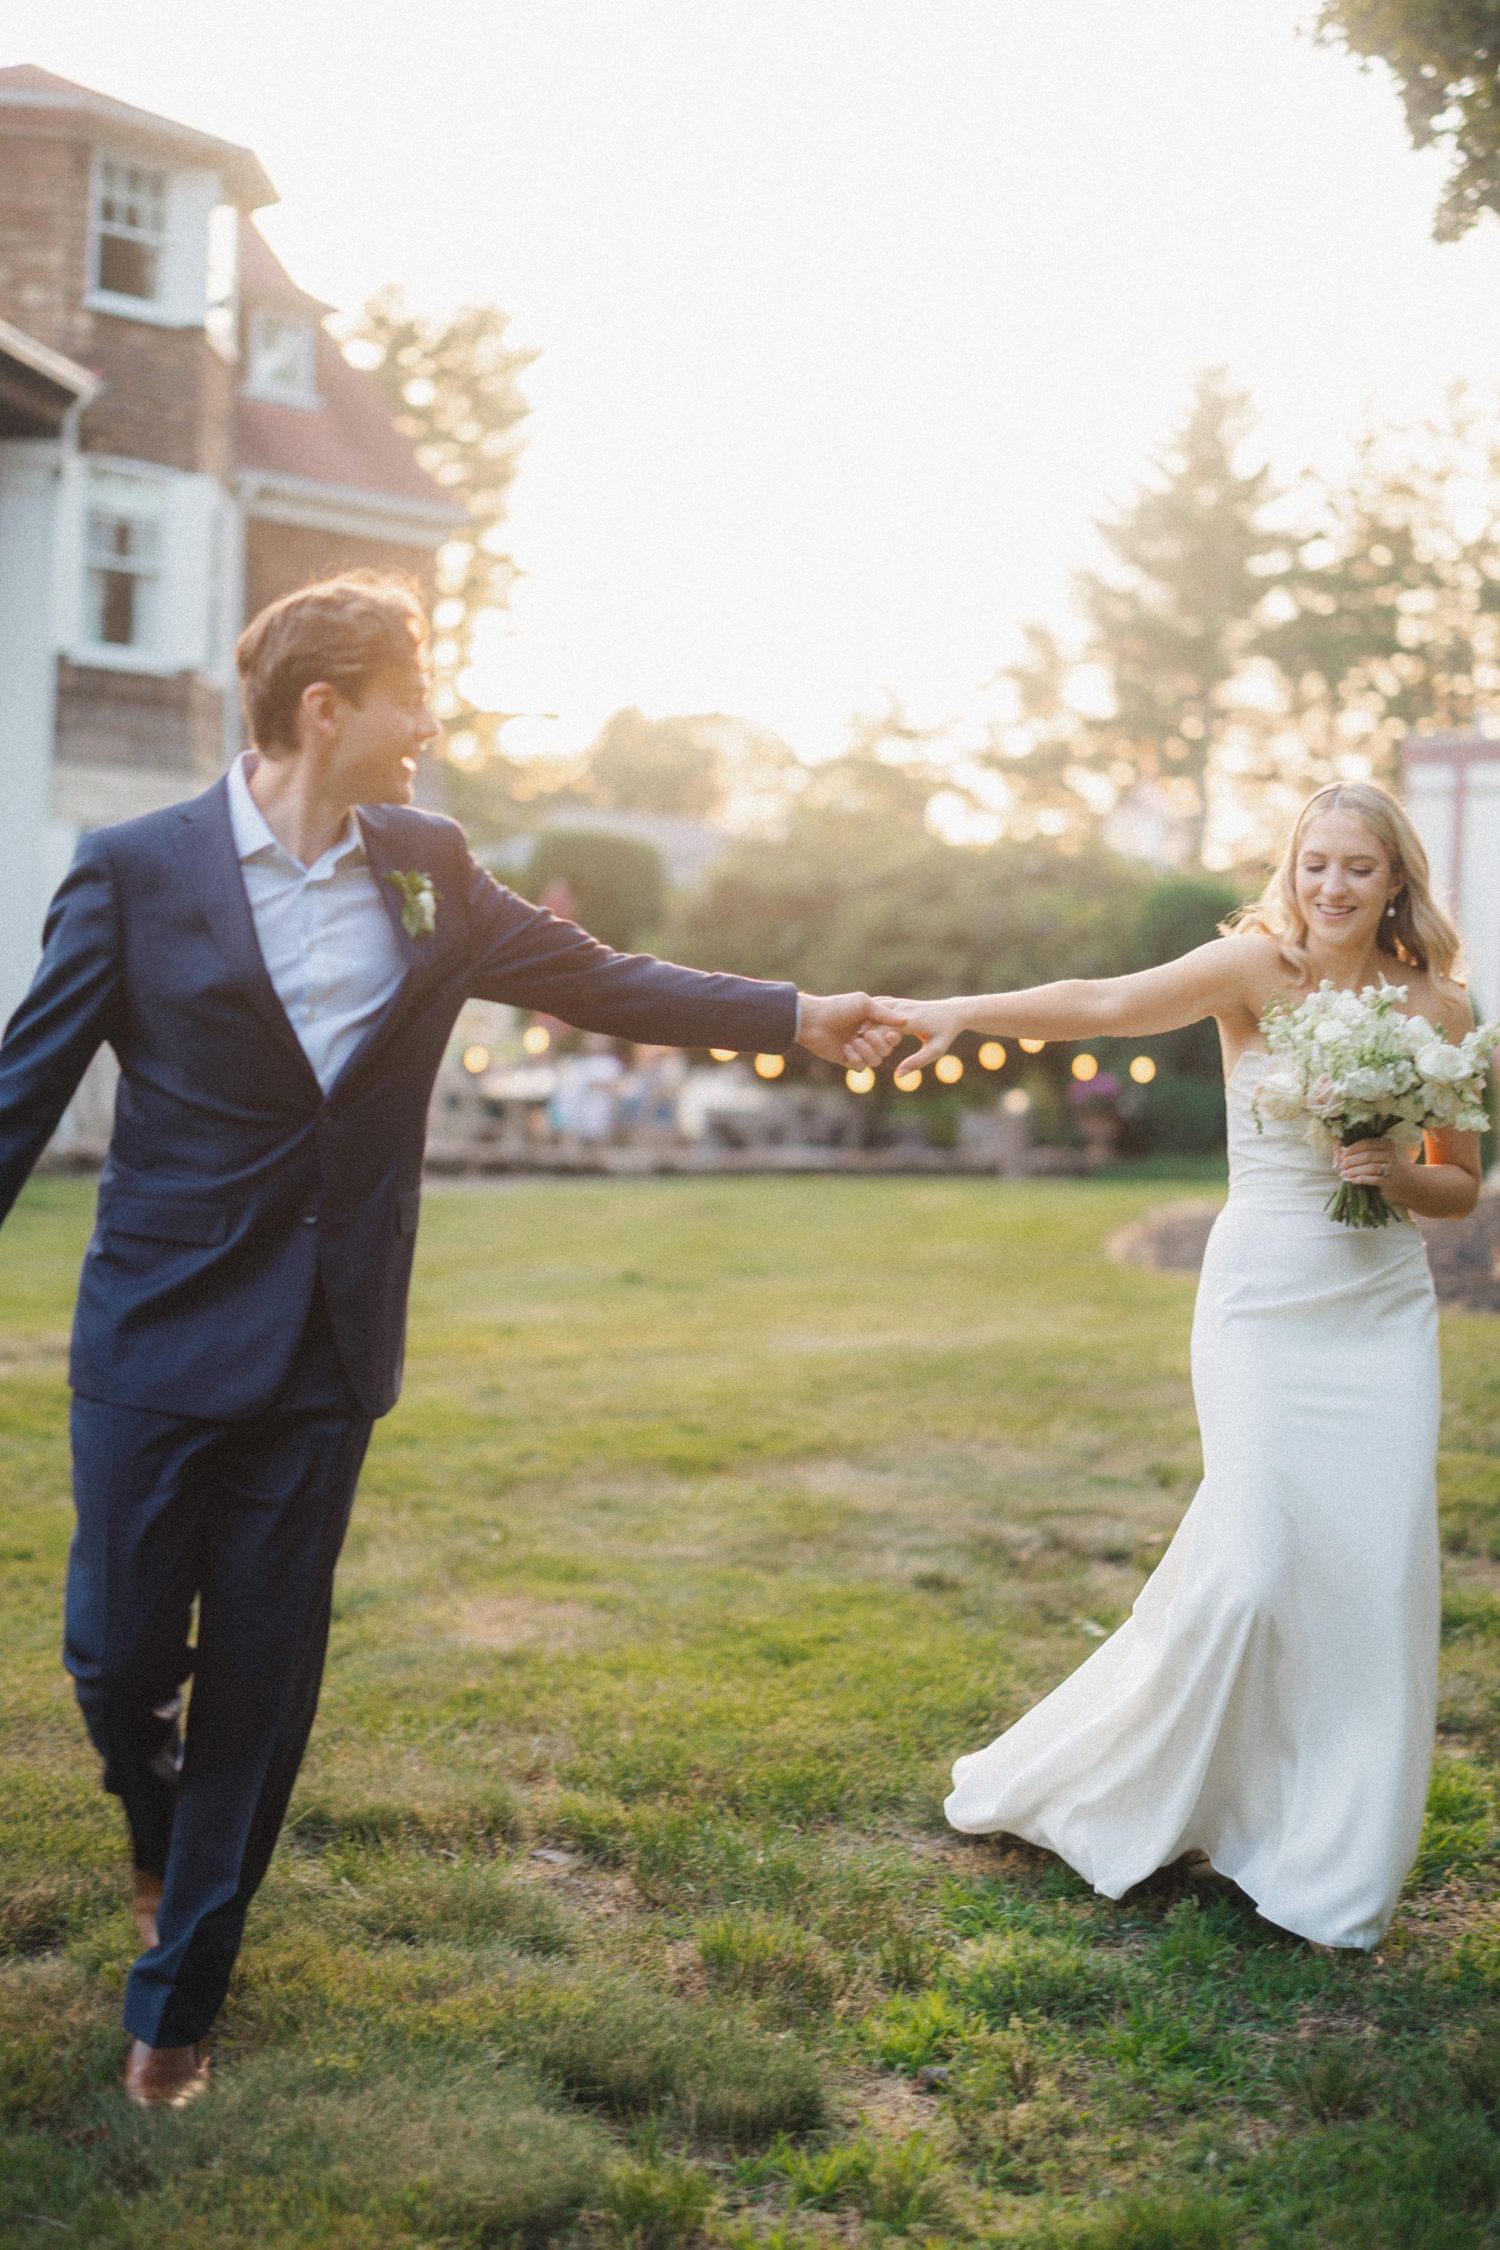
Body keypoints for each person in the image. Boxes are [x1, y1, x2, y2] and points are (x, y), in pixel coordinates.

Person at [0, 572, 903, 2107]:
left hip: (325, 1343)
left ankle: (180, 1994)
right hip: (153, 1334)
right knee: (117, 1654)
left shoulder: (428, 863)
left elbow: (599, 977)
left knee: (265, 1676)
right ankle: (156, 1831)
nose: (430, 727)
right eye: (412, 698)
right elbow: (22, 1087)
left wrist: (797, 1010)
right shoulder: (132, 874)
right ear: (324, 709)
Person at [887, 781, 1479, 1951]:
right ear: (1292, 869)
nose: (1333, 887)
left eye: (1359, 867)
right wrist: (953, 1009)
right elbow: (1103, 1002)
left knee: (1377, 1582)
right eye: (1315, 864)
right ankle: (1119, 1786)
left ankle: (1329, 1866)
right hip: (1262, 1301)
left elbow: (1456, 1183)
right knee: (1255, 1567)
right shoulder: (1255, 971)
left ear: (1395, 878)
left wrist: (1389, 1169)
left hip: (1379, 1313)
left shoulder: (1444, 1008)